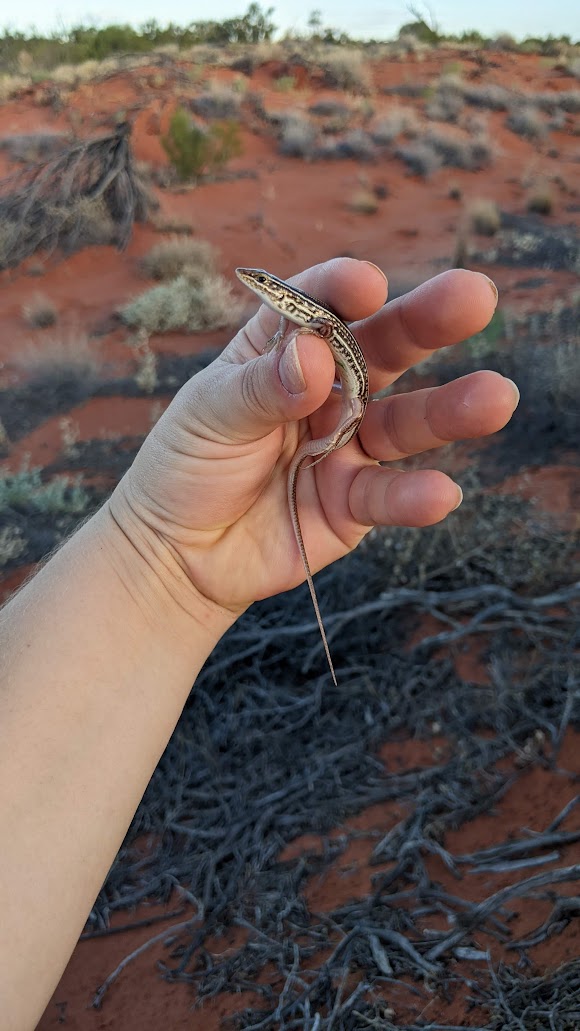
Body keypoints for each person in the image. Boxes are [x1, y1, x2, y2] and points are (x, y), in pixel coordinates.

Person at [0, 258, 518, 1028]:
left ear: (283, 299)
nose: (259, 293)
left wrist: (159, 563)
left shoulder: (311, 330)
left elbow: (336, 380)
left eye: (265, 288)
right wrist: (157, 554)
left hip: (334, 420)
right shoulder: (302, 331)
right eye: (266, 290)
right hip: (313, 433)